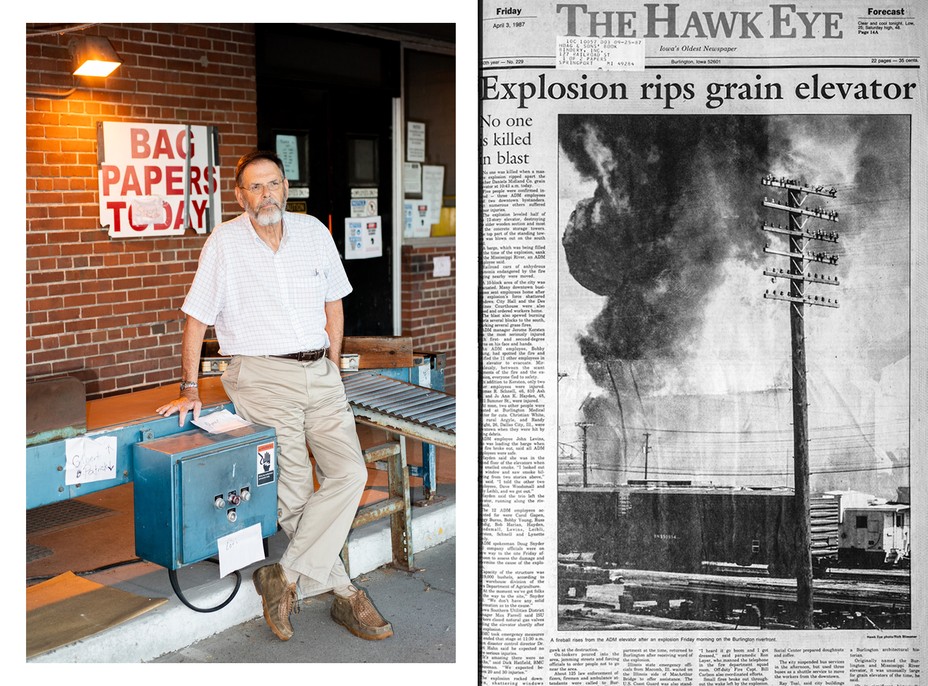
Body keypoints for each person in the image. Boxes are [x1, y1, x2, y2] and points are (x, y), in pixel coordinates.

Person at [156, 149, 393, 642]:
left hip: (320, 371)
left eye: (274, 183)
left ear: (287, 187)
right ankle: (347, 595)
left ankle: (281, 575)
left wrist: (332, 360)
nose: (266, 194)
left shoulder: (313, 233)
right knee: (296, 491)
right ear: (240, 195)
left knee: (350, 472)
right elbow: (196, 318)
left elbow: (334, 301)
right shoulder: (224, 242)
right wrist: (187, 387)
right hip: (261, 375)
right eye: (255, 187)